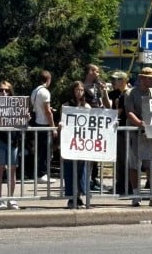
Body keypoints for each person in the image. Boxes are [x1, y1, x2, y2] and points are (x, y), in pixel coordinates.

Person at [124, 67, 152, 207]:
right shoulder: (130, 93)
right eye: (151, 78)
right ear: (142, 78)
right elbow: (129, 112)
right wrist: (140, 123)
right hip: (135, 134)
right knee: (134, 165)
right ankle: (136, 194)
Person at [0, 81, 20, 210]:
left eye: (6, 90)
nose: (4, 93)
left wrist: (26, 118)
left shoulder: (17, 106)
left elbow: (22, 124)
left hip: (13, 141)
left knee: (12, 170)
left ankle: (11, 199)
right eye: (1, 90)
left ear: (11, 92)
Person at [61, 81, 91, 209]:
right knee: (69, 170)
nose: (79, 92)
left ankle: (79, 197)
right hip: (70, 143)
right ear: (73, 91)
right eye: (77, 90)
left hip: (82, 143)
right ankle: (71, 198)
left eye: (82, 90)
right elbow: (62, 121)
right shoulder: (67, 106)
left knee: (81, 171)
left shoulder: (87, 106)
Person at [83, 63, 111, 192]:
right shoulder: (81, 87)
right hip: (86, 124)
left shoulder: (98, 87)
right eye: (96, 71)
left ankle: (93, 179)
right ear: (90, 72)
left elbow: (107, 105)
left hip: (98, 124)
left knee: (96, 152)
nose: (98, 74)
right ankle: (85, 179)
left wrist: (104, 92)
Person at [31, 70, 57, 184]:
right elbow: (47, 112)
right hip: (44, 123)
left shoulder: (35, 91)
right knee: (46, 151)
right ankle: (42, 174)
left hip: (37, 121)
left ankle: (40, 173)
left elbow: (39, 108)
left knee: (41, 150)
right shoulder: (45, 92)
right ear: (48, 79)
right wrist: (53, 127)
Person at [108, 70, 131, 194]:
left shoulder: (128, 94)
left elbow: (118, 112)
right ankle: (120, 184)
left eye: (116, 79)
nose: (113, 82)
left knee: (126, 159)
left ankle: (127, 185)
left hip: (126, 130)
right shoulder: (115, 94)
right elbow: (109, 108)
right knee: (120, 159)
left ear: (123, 81)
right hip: (118, 130)